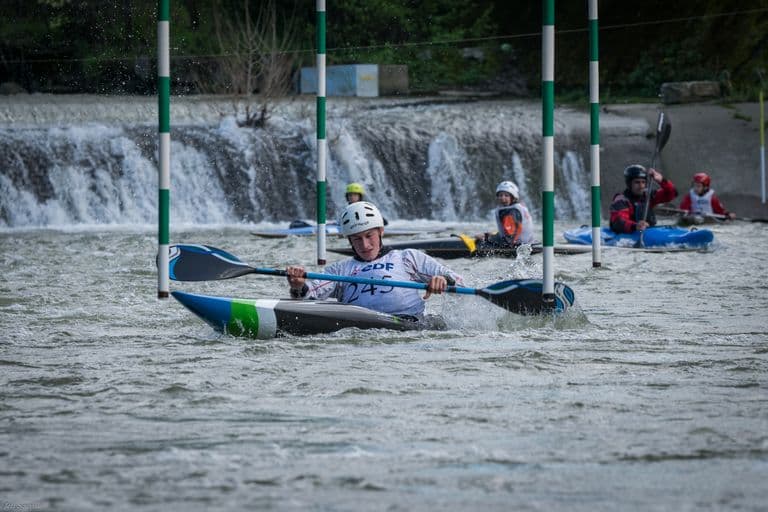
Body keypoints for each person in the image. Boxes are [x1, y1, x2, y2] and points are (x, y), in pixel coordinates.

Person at [286, 201, 463, 320]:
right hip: (362, 326)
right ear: (349, 240)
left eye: (369, 236)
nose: (365, 245)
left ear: (381, 231)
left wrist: (442, 281)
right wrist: (298, 285)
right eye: (356, 239)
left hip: (410, 324)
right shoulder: (339, 270)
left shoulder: (407, 257)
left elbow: (457, 280)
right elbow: (310, 295)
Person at [610, 164, 678, 233]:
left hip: (649, 231)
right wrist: (636, 226)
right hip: (630, 234)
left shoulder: (648, 195)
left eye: (643, 182)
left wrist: (662, 180)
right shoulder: (621, 200)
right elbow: (618, 221)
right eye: (637, 182)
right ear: (629, 184)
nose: (641, 186)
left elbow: (672, 193)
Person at [475, 180, 535, 247]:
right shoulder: (517, 207)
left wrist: (486, 237)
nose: (503, 198)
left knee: (480, 240)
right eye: (500, 195)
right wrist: (490, 235)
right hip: (526, 242)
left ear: (512, 197)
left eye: (506, 195)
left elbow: (510, 237)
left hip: (516, 245)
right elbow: (510, 230)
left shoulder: (511, 212)